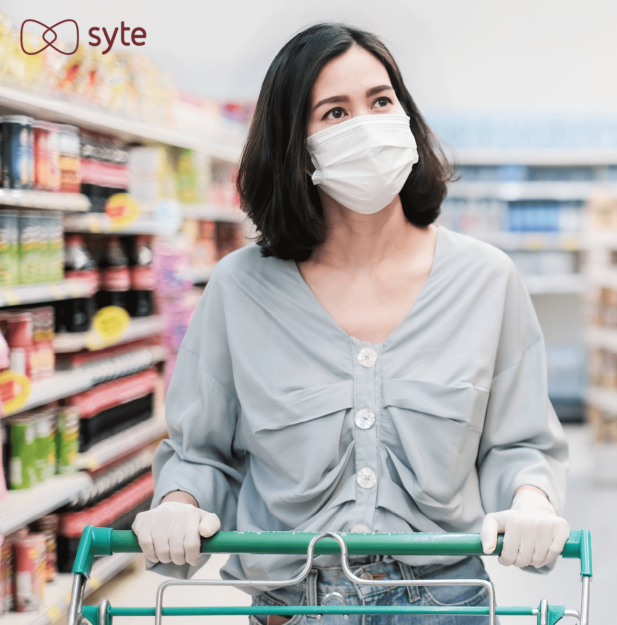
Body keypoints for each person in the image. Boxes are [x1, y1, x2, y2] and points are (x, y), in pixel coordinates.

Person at [131, 22, 570, 625]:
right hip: (292, 604)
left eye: (381, 101)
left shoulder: (486, 280)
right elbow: (202, 453)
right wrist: (178, 502)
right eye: (334, 112)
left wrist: (531, 501)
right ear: (294, 144)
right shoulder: (239, 290)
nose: (367, 125)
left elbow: (517, 443)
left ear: (407, 117)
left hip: (446, 604)